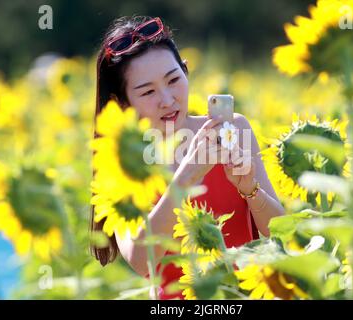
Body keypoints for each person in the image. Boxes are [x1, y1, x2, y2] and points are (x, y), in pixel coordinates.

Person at [90, 15, 285, 299]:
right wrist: (187, 175)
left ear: (186, 71)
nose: (168, 100)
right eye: (148, 92)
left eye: (173, 80)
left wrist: (250, 189)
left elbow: (279, 234)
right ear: (122, 102)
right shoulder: (121, 162)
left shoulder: (233, 129)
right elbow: (141, 260)